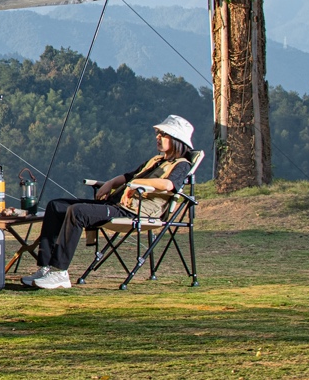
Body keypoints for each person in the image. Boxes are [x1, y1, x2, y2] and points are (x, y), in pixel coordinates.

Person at [22, 115, 196, 290]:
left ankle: (60, 272)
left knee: (77, 212)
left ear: (176, 140)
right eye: (158, 133)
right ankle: (45, 267)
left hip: (134, 211)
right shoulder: (156, 160)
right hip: (117, 204)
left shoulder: (182, 165)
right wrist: (110, 183)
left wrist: (137, 184)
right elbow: (129, 176)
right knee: (56, 206)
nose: (157, 137)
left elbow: (169, 184)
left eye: (163, 134)